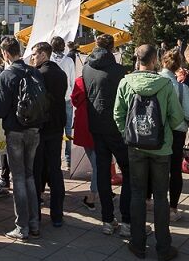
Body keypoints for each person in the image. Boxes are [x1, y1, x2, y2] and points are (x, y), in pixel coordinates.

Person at [114, 44, 185, 261]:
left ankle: (137, 244)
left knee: (137, 193)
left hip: (136, 147)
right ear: (155, 60)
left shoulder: (126, 82)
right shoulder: (165, 84)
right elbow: (176, 117)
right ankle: (164, 247)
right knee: (161, 196)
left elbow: (118, 115)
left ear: (137, 59)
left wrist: (130, 133)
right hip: (161, 147)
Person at [0, 36, 43, 241]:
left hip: (15, 131)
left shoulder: (7, 74)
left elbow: (3, 109)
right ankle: (34, 223)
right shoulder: (34, 71)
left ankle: (22, 227)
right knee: (30, 176)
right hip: (34, 130)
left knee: (18, 178)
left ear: (5, 53)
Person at [82, 33, 131, 236]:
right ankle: (126, 220)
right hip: (117, 128)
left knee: (102, 172)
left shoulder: (86, 68)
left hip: (96, 126)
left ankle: (107, 220)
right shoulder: (120, 71)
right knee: (128, 171)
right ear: (112, 48)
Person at [31, 41, 67, 228]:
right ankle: (57, 214)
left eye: (35, 54)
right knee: (55, 169)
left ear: (44, 54)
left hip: (41, 127)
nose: (32, 58)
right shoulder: (61, 73)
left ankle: (35, 213)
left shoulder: (38, 74)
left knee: (37, 169)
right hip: (56, 127)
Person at [157, 47, 189, 222]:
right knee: (174, 171)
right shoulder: (181, 88)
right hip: (177, 131)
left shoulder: (153, 82)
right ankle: (172, 208)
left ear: (162, 62)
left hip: (156, 130)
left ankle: (151, 201)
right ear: (178, 66)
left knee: (155, 167)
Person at [70, 75, 98, 210]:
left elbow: (74, 100)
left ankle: (93, 195)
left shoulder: (80, 80)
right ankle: (101, 191)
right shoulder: (106, 77)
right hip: (101, 123)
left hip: (84, 123)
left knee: (96, 163)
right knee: (99, 162)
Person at [49, 36, 76, 169]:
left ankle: (55, 158)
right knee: (68, 131)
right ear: (63, 46)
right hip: (67, 98)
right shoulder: (69, 60)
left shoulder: (49, 60)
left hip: (53, 100)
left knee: (55, 130)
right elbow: (72, 80)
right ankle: (69, 159)